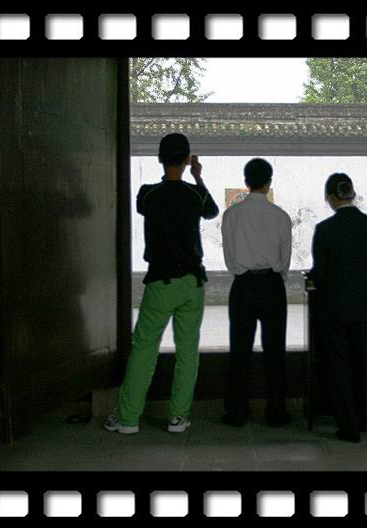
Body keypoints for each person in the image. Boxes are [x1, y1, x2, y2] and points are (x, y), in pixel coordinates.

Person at [104, 133, 219, 434]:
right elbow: (212, 211)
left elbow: (144, 208)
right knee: (187, 351)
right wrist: (197, 176)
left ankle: (128, 419)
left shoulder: (147, 195)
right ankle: (178, 417)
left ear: (159, 159)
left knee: (143, 349)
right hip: (192, 283)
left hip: (160, 283)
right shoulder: (195, 195)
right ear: (187, 160)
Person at [309, 173, 367, 443]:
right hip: (366, 307)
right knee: (364, 364)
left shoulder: (324, 229)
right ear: (352, 194)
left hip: (334, 309)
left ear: (330, 197)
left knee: (338, 367)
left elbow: (319, 272)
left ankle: (348, 426)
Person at [220, 158, 293, 427]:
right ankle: (276, 412)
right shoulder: (281, 217)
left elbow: (229, 257)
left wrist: (241, 272)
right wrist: (276, 277)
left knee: (239, 350)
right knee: (275, 350)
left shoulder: (231, 215)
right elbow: (285, 260)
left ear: (246, 182)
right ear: (268, 182)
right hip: (272, 286)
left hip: (243, 286)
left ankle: (237, 412)